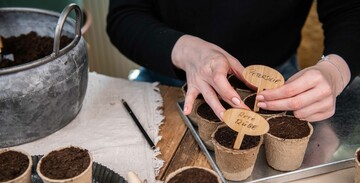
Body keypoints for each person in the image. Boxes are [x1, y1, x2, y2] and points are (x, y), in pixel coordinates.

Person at [107, 1, 360, 122]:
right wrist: (187, 51)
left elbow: (350, 9)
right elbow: (125, 15)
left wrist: (335, 70)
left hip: (277, 87)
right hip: (169, 80)